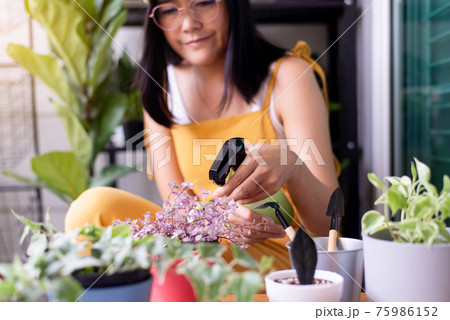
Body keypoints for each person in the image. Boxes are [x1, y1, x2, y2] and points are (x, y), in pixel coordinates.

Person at [65, 0, 340, 270]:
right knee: (90, 209)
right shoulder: (161, 87)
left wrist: (292, 165)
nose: (188, 24)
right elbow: (177, 211)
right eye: (170, 9)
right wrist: (218, 222)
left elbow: (326, 227)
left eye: (205, 3)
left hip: (279, 256)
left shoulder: (289, 76)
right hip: (197, 245)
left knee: (191, 266)